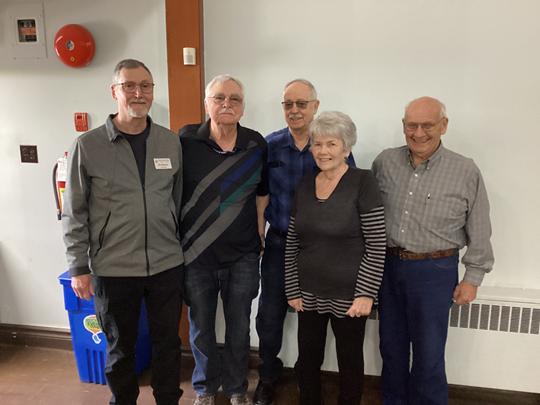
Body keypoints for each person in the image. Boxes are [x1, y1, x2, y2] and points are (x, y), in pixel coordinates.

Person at [62, 59, 184, 405]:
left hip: (165, 263)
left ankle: (167, 399)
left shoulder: (169, 142)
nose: (138, 93)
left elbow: (175, 200)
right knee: (119, 347)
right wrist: (78, 268)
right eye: (129, 85)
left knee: (168, 343)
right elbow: (74, 212)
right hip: (112, 268)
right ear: (115, 91)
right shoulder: (88, 145)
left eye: (146, 86)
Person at [372, 96, 494, 405]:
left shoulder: (465, 170)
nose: (419, 133)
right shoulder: (384, 162)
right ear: (403, 126)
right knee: (391, 347)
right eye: (412, 125)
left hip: (435, 272)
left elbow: (479, 228)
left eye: (428, 125)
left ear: (443, 126)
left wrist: (473, 277)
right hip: (388, 267)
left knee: (429, 352)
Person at [254, 79, 355, 405]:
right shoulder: (269, 146)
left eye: (301, 103)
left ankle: (307, 380)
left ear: (315, 105)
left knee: (315, 320)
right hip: (279, 245)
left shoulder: (330, 146)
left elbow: (347, 198)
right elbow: (261, 195)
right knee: (269, 316)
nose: (294, 110)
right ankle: (267, 377)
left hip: (320, 250)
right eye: (288, 104)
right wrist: (258, 234)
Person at [285, 111, 386, 405]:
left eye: (331, 144)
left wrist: (366, 293)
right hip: (308, 294)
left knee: (350, 363)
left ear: (346, 147)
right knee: (307, 361)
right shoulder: (305, 184)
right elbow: (293, 240)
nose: (323, 151)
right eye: (317, 144)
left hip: (351, 296)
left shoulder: (363, 182)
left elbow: (376, 243)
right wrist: (292, 288)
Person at [178, 75, 269, 405]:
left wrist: (259, 235)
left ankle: (235, 390)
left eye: (234, 99)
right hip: (196, 256)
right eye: (219, 98)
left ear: (243, 107)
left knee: (238, 329)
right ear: (207, 104)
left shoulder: (256, 145)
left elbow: (262, 196)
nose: (226, 104)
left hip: (243, 255)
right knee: (200, 328)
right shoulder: (186, 140)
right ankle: (204, 389)